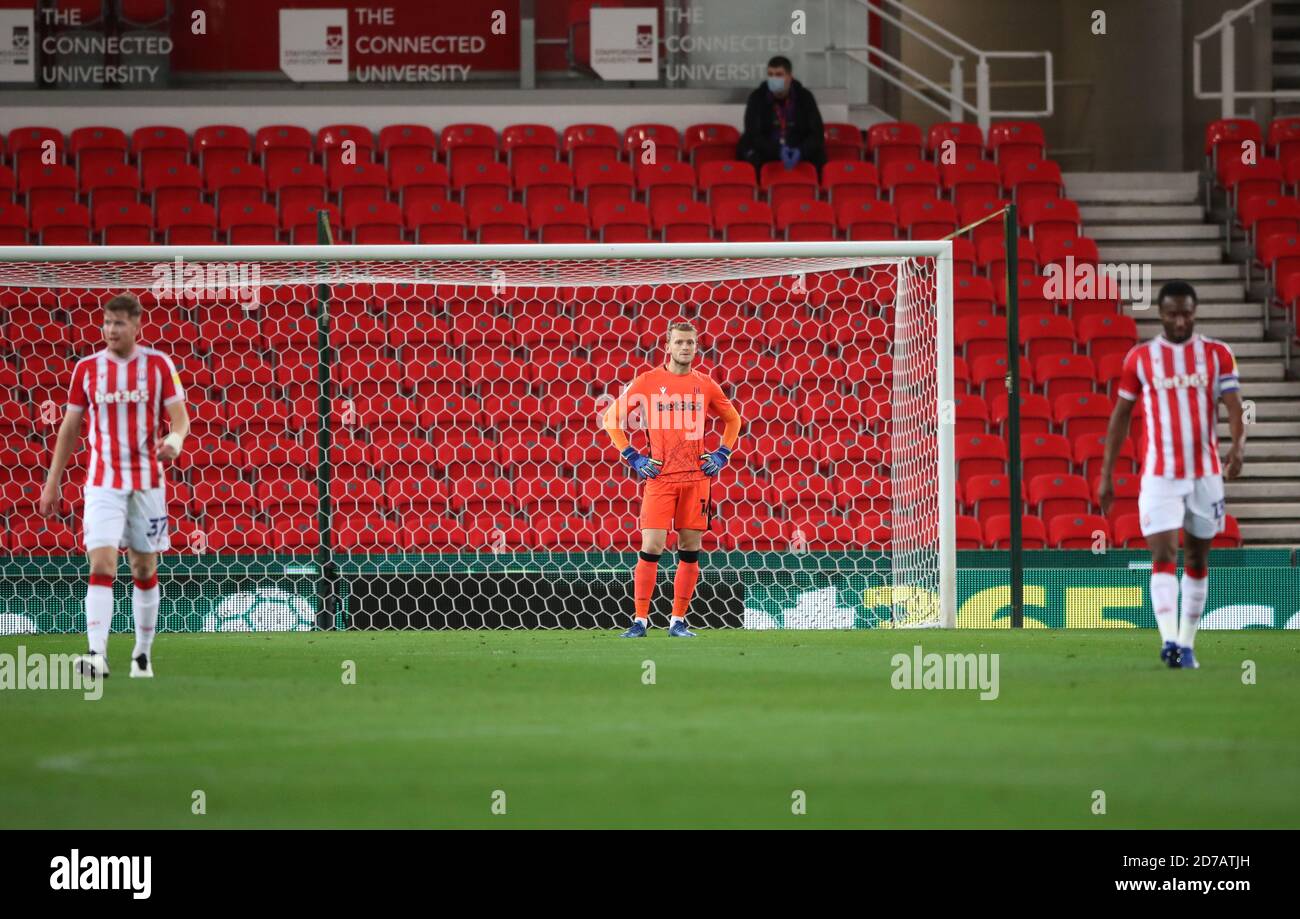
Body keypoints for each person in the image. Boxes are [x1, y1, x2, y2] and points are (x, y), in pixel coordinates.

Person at [39, 292, 190, 679]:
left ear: (137, 325)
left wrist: (173, 442)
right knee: (102, 562)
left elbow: (180, 421)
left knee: (142, 567)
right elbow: (70, 427)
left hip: (147, 483)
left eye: (119, 323)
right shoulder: (87, 369)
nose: (110, 330)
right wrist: (52, 482)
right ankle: (96, 654)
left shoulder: (159, 366)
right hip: (103, 483)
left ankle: (142, 653)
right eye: (106, 322)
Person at [1098, 281, 1246, 670]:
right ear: (1160, 314)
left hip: (1204, 473)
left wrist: (1238, 446)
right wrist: (1106, 473)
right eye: (1171, 313)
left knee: (1197, 558)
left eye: (1186, 313)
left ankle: (1187, 642)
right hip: (1159, 474)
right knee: (1162, 554)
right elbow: (1120, 417)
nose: (1180, 320)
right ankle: (1169, 643)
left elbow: (1233, 404)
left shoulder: (1217, 355)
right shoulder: (1140, 359)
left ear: (1195, 313)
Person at [603, 321, 743, 637]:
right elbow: (611, 419)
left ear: (696, 347)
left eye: (690, 343)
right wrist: (632, 455)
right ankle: (640, 620)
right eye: (679, 342)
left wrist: (722, 453)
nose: (684, 348)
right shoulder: (648, 381)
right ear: (667, 345)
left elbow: (733, 419)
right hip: (661, 479)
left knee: (689, 547)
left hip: (697, 479)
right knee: (652, 545)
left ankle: (678, 620)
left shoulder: (706, 384)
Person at [737, 55, 827, 176]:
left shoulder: (805, 97)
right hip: (767, 150)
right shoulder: (757, 97)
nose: (774, 79)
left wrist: (801, 151)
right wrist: (777, 151)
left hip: (797, 148)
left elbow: (817, 133)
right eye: (770, 74)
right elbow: (753, 134)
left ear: (789, 77)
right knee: (748, 152)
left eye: (779, 75)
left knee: (819, 156)